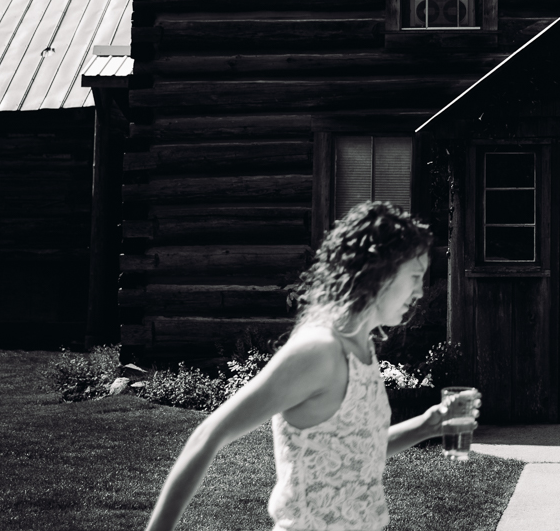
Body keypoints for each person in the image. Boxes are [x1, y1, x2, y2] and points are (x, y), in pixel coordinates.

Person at [144, 201, 477, 531]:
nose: (420, 290)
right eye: (416, 275)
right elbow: (209, 435)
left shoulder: (361, 348)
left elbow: (355, 453)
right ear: (380, 271)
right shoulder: (319, 351)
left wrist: (426, 425)